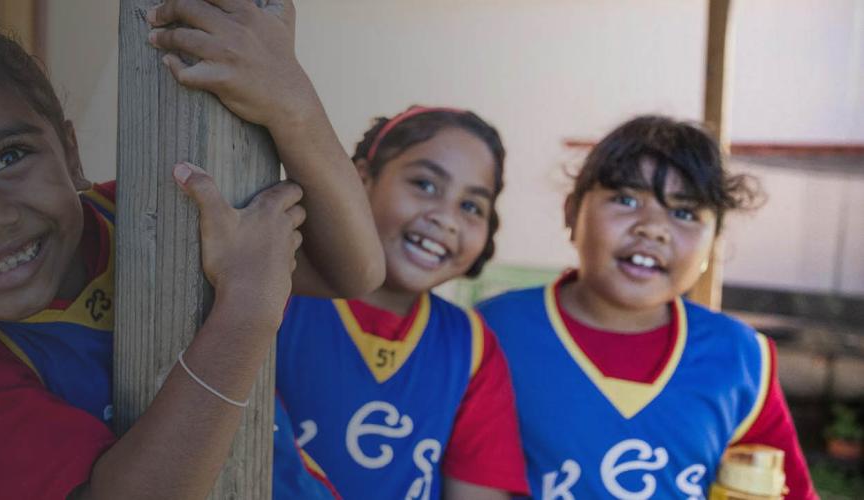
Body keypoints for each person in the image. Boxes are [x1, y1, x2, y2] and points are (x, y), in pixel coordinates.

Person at [0, 1, 384, 498]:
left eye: (10, 156)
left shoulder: (146, 213)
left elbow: (354, 271)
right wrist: (244, 314)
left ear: (70, 154)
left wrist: (294, 105)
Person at [478, 115, 816, 499]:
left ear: (714, 243)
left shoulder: (740, 359)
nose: (652, 228)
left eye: (685, 213)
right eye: (626, 200)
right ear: (572, 212)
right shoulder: (493, 333)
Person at [276, 106, 530, 500]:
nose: (446, 218)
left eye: (471, 207)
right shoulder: (281, 296)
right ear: (361, 178)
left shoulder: (473, 347)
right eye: (426, 185)